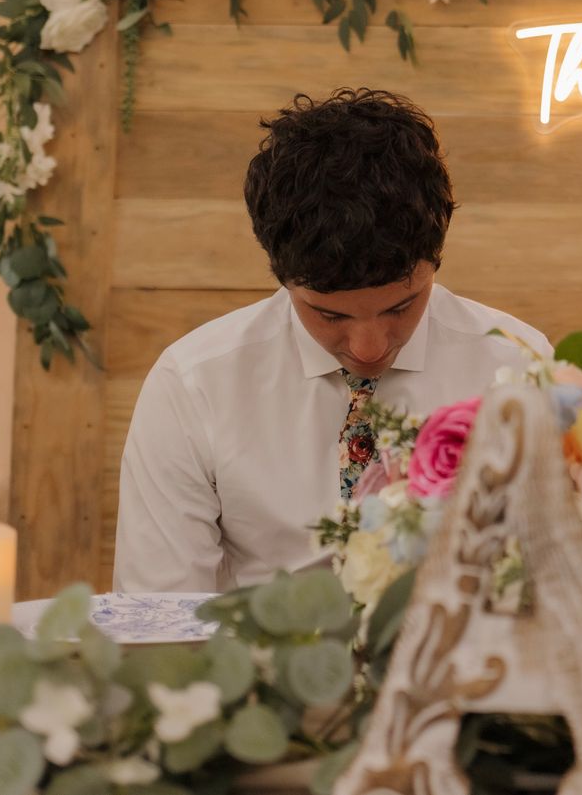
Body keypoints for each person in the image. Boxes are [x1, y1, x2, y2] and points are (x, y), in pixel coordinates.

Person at [114, 89, 550, 593]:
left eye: (401, 307)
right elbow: (159, 611)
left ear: (436, 260)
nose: (368, 347)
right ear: (281, 277)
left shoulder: (518, 365)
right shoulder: (194, 385)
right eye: (329, 314)